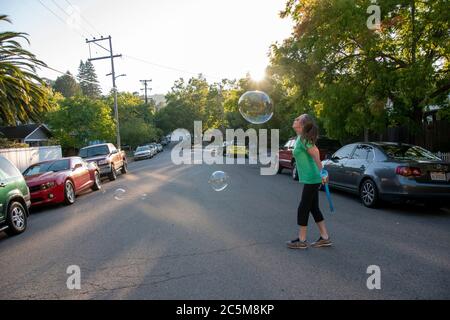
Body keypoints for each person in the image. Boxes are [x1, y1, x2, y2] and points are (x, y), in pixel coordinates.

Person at [287, 114, 332, 249]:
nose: (294, 119)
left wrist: (323, 173)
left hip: (313, 178)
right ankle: (325, 238)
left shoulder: (304, 139)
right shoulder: (301, 138)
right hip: (311, 177)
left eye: (297, 119)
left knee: (303, 207)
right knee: (313, 207)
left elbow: (316, 154)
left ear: (302, 124)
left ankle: (302, 240)